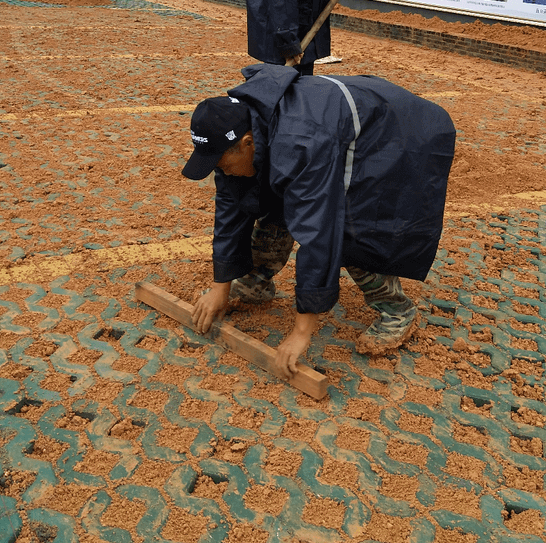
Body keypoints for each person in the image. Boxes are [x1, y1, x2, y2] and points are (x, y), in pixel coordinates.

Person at [181, 64, 456, 378]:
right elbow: (231, 204)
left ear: (247, 142)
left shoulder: (300, 142)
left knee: (354, 228)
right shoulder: (243, 132)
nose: (221, 170)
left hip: (396, 136)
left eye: (221, 163)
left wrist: (302, 330)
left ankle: (396, 310)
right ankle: (256, 282)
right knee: (264, 193)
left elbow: (318, 231)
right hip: (335, 130)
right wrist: (221, 286)